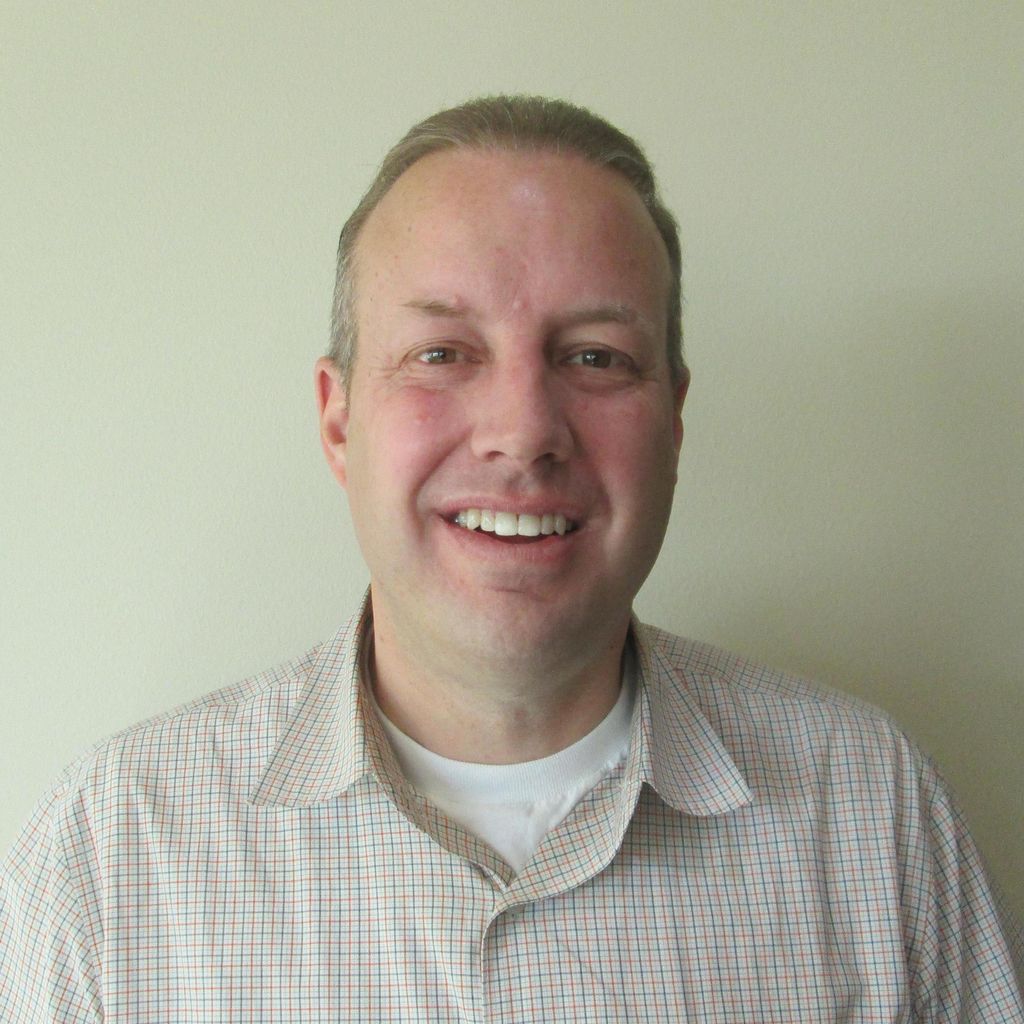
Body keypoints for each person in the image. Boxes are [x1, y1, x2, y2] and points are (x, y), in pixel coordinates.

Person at [1, 95, 1021, 1023]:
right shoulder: (115, 849)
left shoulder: (870, 808)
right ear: (339, 421)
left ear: (672, 421)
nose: (524, 431)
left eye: (595, 357)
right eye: (443, 353)